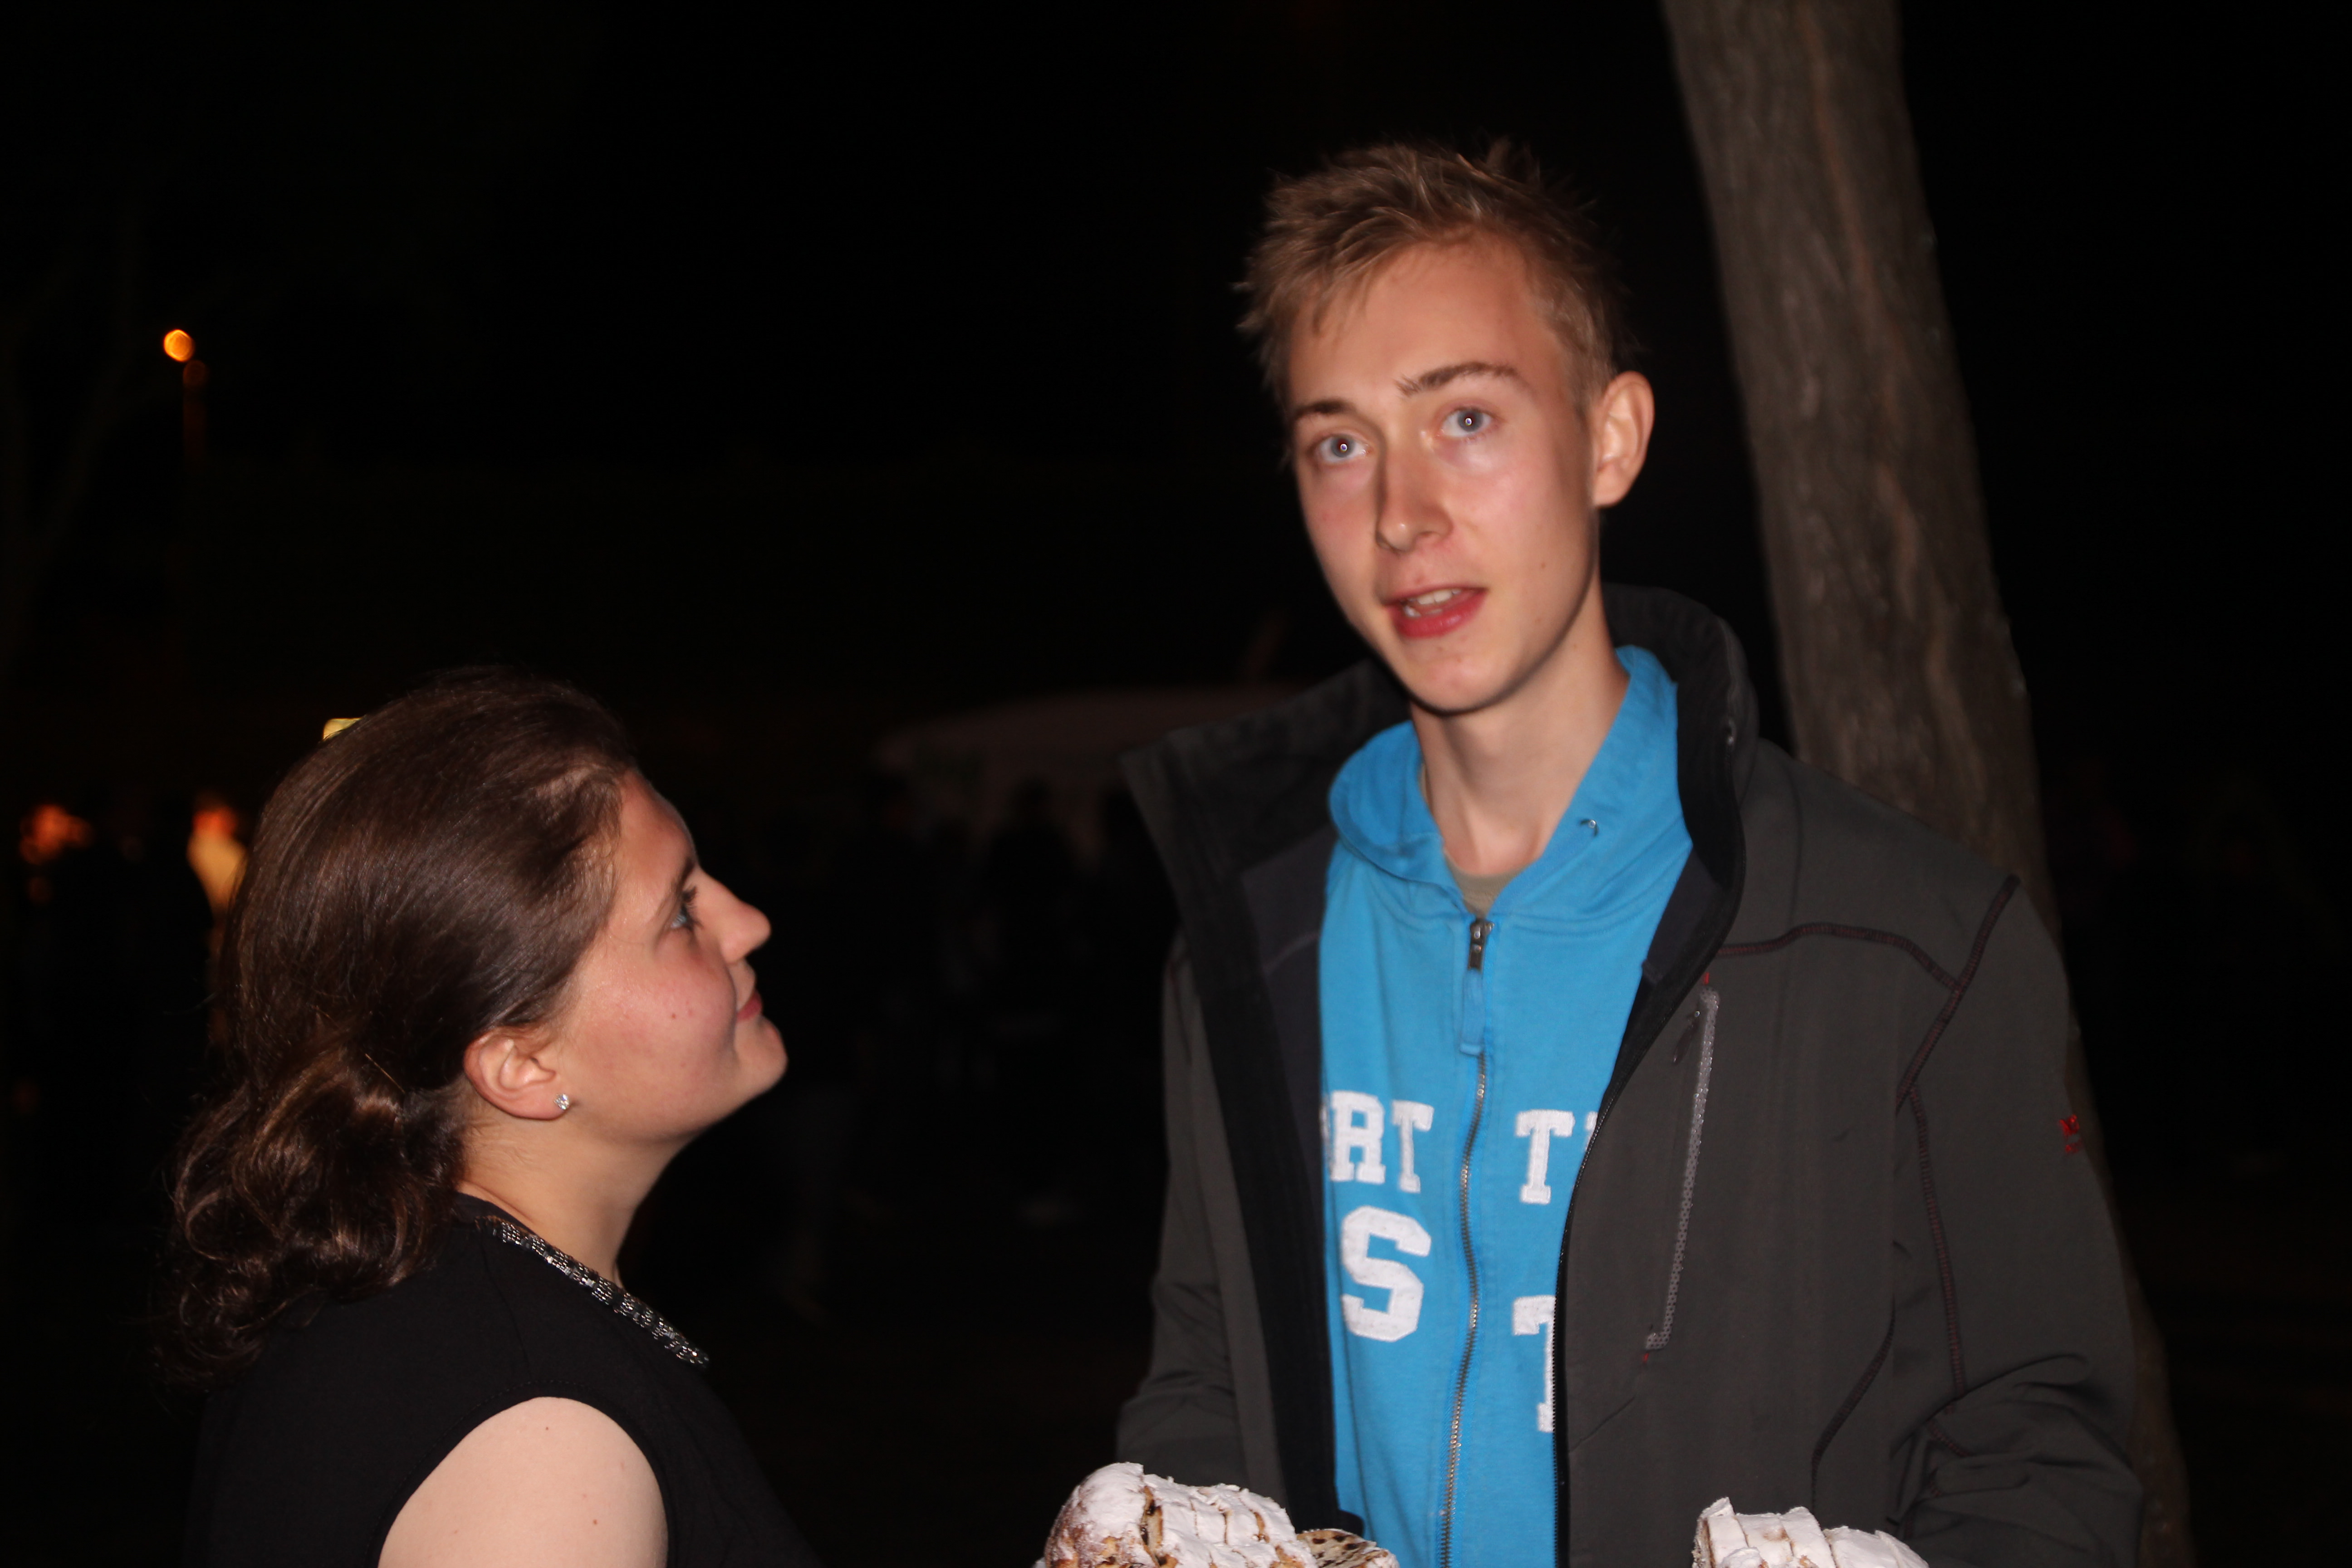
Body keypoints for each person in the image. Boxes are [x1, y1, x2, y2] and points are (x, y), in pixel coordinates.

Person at [1112, 142, 2138, 1568]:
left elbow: (2041, 1458)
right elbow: (1208, 1380)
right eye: (1339, 443)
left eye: (1466, 417)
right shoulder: (1250, 944)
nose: (1401, 514)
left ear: (1612, 438)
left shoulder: (1907, 944)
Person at [165, 671, 818, 1567]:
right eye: (679, 912)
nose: (749, 923)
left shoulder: (386, 1275)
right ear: (523, 1064)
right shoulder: (541, 1453)